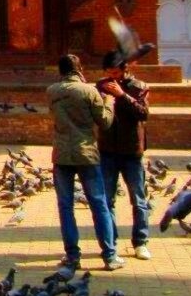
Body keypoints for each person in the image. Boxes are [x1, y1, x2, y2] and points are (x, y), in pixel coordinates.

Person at [46, 53, 124, 271]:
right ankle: (109, 255)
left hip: (62, 153)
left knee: (65, 206)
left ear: (60, 71)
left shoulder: (51, 91)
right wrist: (109, 101)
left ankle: (72, 256)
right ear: (79, 68)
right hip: (86, 152)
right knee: (99, 204)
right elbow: (105, 122)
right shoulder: (89, 91)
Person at [96, 50, 152, 260]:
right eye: (109, 72)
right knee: (107, 200)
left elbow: (143, 113)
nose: (113, 76)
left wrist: (121, 95)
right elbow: (96, 115)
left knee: (138, 199)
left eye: (116, 72)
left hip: (131, 150)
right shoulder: (101, 86)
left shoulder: (139, 87)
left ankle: (141, 241)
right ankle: (112, 241)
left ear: (124, 69)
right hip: (108, 149)